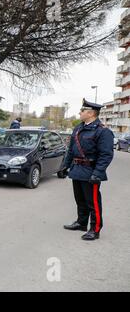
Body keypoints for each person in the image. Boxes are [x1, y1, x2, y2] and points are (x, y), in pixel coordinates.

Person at [63, 99, 114, 241]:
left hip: (90, 171)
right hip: (77, 169)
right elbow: (71, 150)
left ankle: (95, 229)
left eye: (82, 111)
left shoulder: (103, 132)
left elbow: (106, 155)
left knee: (93, 203)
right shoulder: (78, 128)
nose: (79, 112)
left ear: (91, 113)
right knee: (80, 199)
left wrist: (97, 173)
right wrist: (65, 166)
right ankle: (81, 222)